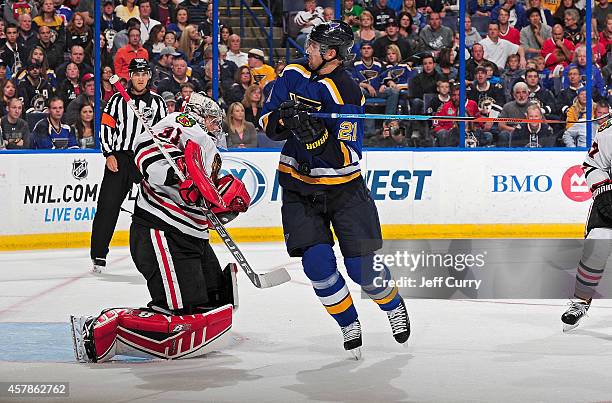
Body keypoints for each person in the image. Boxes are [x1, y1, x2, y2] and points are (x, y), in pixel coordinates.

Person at [260, 20, 410, 358]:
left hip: (345, 190)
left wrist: (317, 137)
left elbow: (348, 152)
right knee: (317, 265)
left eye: (313, 45)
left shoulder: (347, 91)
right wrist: (284, 119)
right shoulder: (292, 73)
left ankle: (392, 304)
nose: (307, 49)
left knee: (361, 269)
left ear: (330, 54)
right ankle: (347, 322)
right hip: (298, 186)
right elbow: (267, 120)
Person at [70, 94, 247, 363]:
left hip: (192, 234)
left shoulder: (208, 148)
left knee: (212, 301)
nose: (214, 126)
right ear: (198, 115)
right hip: (161, 231)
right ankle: (100, 329)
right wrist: (175, 176)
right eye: (211, 120)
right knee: (179, 314)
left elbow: (202, 193)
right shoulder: (182, 123)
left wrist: (226, 201)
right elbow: (145, 151)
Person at [91, 58, 168, 273]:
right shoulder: (116, 101)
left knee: (157, 207)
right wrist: (108, 153)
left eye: (144, 74)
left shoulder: (158, 103)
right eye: (137, 74)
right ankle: (98, 254)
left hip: (146, 160)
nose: (141, 78)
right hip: (121, 158)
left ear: (149, 76)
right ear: (130, 76)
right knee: (108, 205)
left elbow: (162, 133)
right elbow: (106, 128)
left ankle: (159, 252)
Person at [561, 114, 612, 331]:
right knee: (598, 242)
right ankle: (581, 302)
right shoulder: (609, 130)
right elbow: (592, 164)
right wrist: (604, 193)